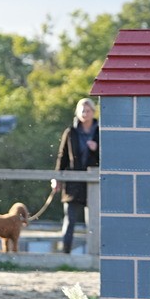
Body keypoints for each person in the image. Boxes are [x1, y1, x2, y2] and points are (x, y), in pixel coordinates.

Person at [53, 97, 100, 254]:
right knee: (70, 219)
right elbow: (63, 156)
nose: (84, 113)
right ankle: (65, 253)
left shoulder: (101, 131)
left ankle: (93, 254)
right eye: (82, 110)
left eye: (87, 110)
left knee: (92, 221)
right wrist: (57, 178)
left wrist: (97, 148)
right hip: (73, 183)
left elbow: (110, 156)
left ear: (93, 112)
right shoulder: (70, 132)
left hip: (93, 183)